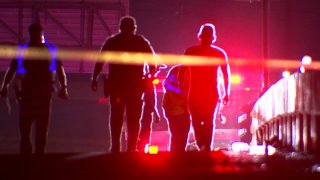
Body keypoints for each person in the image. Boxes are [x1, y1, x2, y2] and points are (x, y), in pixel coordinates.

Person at [0, 22, 68, 155]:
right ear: (42, 34)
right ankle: (38, 162)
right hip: (42, 95)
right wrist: (63, 87)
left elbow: (12, 69)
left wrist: (5, 86)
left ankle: (27, 162)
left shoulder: (24, 50)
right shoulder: (49, 50)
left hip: (28, 94)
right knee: (40, 130)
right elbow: (60, 70)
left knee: (26, 130)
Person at [91, 16, 156, 152]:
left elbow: (100, 61)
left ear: (120, 27)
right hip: (135, 87)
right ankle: (131, 147)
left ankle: (115, 146)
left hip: (117, 86)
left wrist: (95, 79)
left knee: (116, 117)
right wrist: (150, 76)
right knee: (134, 117)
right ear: (134, 28)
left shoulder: (112, 41)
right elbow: (152, 63)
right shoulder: (140, 42)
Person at [184, 23, 230, 151]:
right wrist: (226, 93)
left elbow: (182, 72)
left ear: (200, 36)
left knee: (197, 120)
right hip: (211, 93)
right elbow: (226, 75)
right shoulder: (219, 53)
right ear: (213, 37)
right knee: (209, 120)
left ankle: (201, 145)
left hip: (194, 92)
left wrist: (182, 91)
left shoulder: (191, 52)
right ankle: (206, 147)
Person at [162, 64, 191, 152]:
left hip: (176, 109)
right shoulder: (179, 71)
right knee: (179, 133)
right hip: (177, 109)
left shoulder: (176, 70)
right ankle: (178, 152)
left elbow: (167, 85)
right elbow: (169, 86)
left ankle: (176, 152)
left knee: (178, 133)